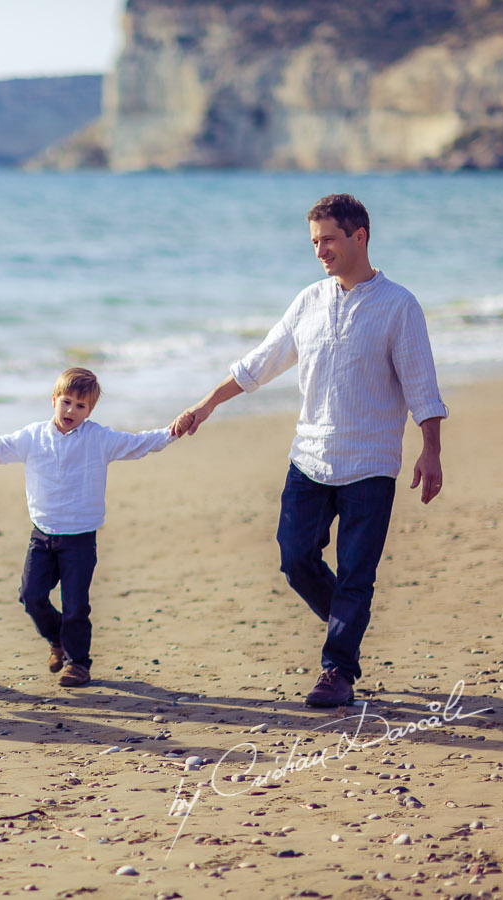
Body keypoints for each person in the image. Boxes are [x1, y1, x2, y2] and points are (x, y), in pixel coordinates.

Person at [172, 193, 447, 708]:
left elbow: (421, 386)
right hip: (310, 461)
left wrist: (430, 450)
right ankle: (347, 619)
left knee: (356, 574)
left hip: (370, 465)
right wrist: (206, 404)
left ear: (359, 237)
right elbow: (260, 362)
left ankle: (337, 669)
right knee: (296, 559)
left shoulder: (399, 306)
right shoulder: (308, 301)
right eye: (314, 241)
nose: (319, 250)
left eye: (328, 240)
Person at [0, 367, 187, 687]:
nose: (71, 411)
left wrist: (174, 430)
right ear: (53, 400)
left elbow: (140, 443)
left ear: (90, 411)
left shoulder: (99, 439)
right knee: (31, 597)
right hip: (42, 535)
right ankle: (57, 640)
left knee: (76, 605)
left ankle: (78, 663)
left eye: (81, 406)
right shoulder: (32, 437)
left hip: (80, 538)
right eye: (66, 402)